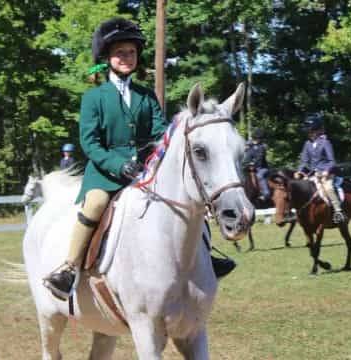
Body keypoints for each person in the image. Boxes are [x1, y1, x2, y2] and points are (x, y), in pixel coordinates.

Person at [43, 17, 236, 301]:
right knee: (95, 204)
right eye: (120, 52)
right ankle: (69, 267)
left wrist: (173, 139)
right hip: (105, 175)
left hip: (144, 172)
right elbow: (90, 143)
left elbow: (160, 132)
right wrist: (117, 164)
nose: (126, 58)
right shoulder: (94, 97)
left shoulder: (146, 96)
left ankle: (207, 255)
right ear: (107, 56)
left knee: (189, 200)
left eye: (131, 52)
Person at [291, 113, 346, 224]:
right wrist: (299, 171)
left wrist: (326, 170)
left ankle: (338, 211)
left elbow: (332, 161)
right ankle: (296, 212)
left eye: (310, 131)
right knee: (300, 189)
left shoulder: (325, 143)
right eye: (308, 132)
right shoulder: (307, 144)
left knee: (329, 188)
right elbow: (304, 161)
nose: (308, 133)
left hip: (326, 174)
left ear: (316, 131)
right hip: (313, 174)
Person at [244, 128, 270, 202]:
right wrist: (246, 164)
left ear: (260, 139)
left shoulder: (262, 147)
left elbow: (259, 159)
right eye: (254, 138)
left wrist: (253, 164)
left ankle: (266, 193)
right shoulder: (249, 145)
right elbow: (246, 157)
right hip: (250, 167)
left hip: (262, 168)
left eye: (256, 139)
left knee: (259, 176)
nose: (254, 140)